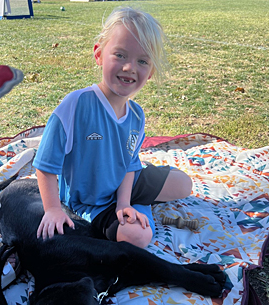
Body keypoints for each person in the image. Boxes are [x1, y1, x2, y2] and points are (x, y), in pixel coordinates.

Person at [33, 6, 192, 249]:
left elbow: (130, 163)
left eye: (142, 61)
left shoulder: (137, 115)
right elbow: (45, 165)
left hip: (125, 182)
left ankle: (135, 203)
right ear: (99, 54)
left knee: (184, 185)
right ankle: (139, 207)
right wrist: (53, 209)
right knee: (138, 237)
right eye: (120, 55)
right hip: (91, 201)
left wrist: (124, 203)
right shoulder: (76, 105)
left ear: (150, 72)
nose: (130, 67)